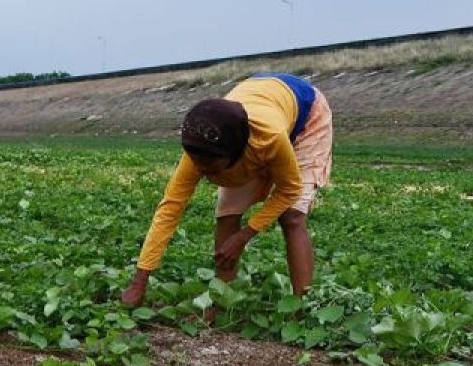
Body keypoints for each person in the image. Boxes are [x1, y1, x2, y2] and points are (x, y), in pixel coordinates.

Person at [121, 72, 333, 307]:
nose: (203, 172)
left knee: (292, 216)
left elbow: (289, 190)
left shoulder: (269, 139)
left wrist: (244, 236)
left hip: (306, 115)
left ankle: (302, 307)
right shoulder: (202, 150)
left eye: (210, 167)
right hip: (261, 100)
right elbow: (170, 208)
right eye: (198, 164)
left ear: (237, 153)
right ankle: (223, 301)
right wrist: (140, 281)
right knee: (227, 215)